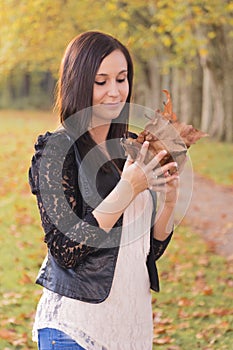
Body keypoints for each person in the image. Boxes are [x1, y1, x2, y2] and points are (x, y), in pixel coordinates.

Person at [29, 31, 182, 350]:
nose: (115, 91)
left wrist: (167, 203)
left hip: (130, 330)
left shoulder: (130, 148)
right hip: (74, 330)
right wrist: (128, 188)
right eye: (101, 81)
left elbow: (143, 254)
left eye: (121, 79)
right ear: (79, 83)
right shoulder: (57, 150)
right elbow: (65, 249)